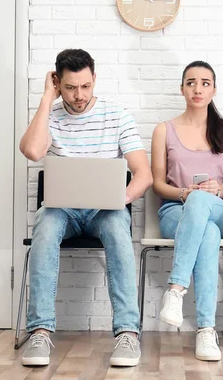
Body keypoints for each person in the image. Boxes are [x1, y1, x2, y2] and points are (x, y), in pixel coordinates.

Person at [19, 49, 152, 367]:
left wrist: (118, 199)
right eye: (69, 87)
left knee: (119, 231)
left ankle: (128, 334)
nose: (79, 96)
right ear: (57, 83)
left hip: (105, 209)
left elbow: (144, 175)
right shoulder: (49, 115)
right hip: (61, 210)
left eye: (86, 86)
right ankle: (39, 331)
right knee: (46, 226)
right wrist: (45, 99)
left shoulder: (116, 115)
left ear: (94, 80)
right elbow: (32, 151)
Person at [150, 61, 223, 361]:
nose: (197, 88)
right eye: (191, 82)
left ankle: (175, 290)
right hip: (176, 211)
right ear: (182, 89)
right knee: (208, 233)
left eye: (204, 83)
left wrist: (215, 191)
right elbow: (158, 185)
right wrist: (184, 193)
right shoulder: (164, 130)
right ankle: (206, 331)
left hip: (219, 209)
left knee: (202, 205)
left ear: (214, 89)